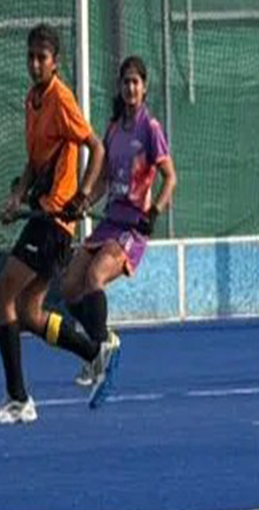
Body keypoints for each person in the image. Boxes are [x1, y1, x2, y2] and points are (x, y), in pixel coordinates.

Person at [0, 24, 106, 426]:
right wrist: (16, 196)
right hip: (40, 211)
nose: (35, 64)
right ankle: (96, 354)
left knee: (2, 295)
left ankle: (19, 399)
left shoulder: (61, 99)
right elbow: (36, 164)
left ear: (56, 61)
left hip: (55, 221)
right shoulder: (32, 100)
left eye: (43, 57)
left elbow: (96, 147)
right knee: (29, 311)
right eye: (31, 57)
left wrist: (83, 196)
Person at [63, 55, 176, 408]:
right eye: (125, 82)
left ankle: (98, 353)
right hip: (109, 221)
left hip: (132, 228)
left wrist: (154, 211)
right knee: (69, 288)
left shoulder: (150, 128)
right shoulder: (113, 129)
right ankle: (103, 340)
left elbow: (171, 177)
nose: (130, 88)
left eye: (136, 82)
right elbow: (106, 182)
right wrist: (82, 201)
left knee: (95, 277)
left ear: (144, 88)